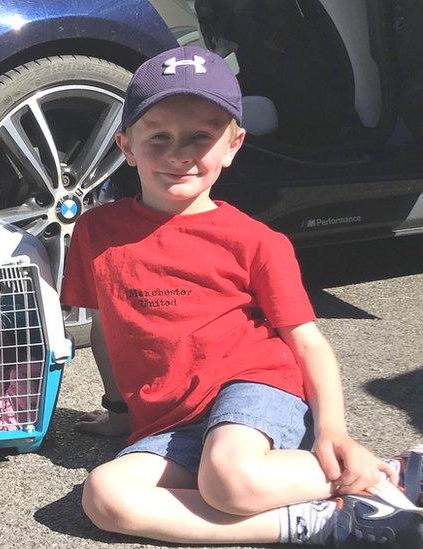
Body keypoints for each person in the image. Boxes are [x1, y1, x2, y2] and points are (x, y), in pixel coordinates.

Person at [61, 45, 423, 547]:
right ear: (125, 144)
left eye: (201, 137)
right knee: (106, 497)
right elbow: (106, 325)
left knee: (230, 479)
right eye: (158, 136)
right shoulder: (97, 231)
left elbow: (307, 340)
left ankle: (392, 473)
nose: (178, 153)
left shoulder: (256, 240)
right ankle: (328, 522)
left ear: (233, 145)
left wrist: (331, 431)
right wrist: (119, 410)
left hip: (252, 388)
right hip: (169, 420)